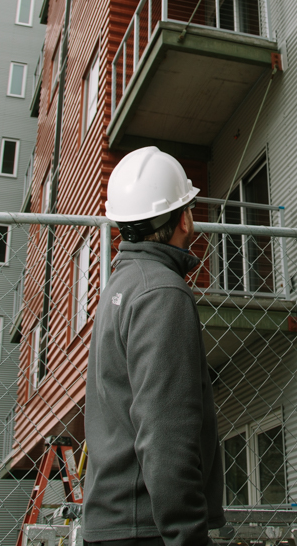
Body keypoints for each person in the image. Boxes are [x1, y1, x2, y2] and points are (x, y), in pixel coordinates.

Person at [83, 146, 225, 546]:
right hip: (149, 529)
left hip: (117, 522)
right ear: (184, 218)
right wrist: (188, 536)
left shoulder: (121, 288)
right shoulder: (162, 293)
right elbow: (166, 432)